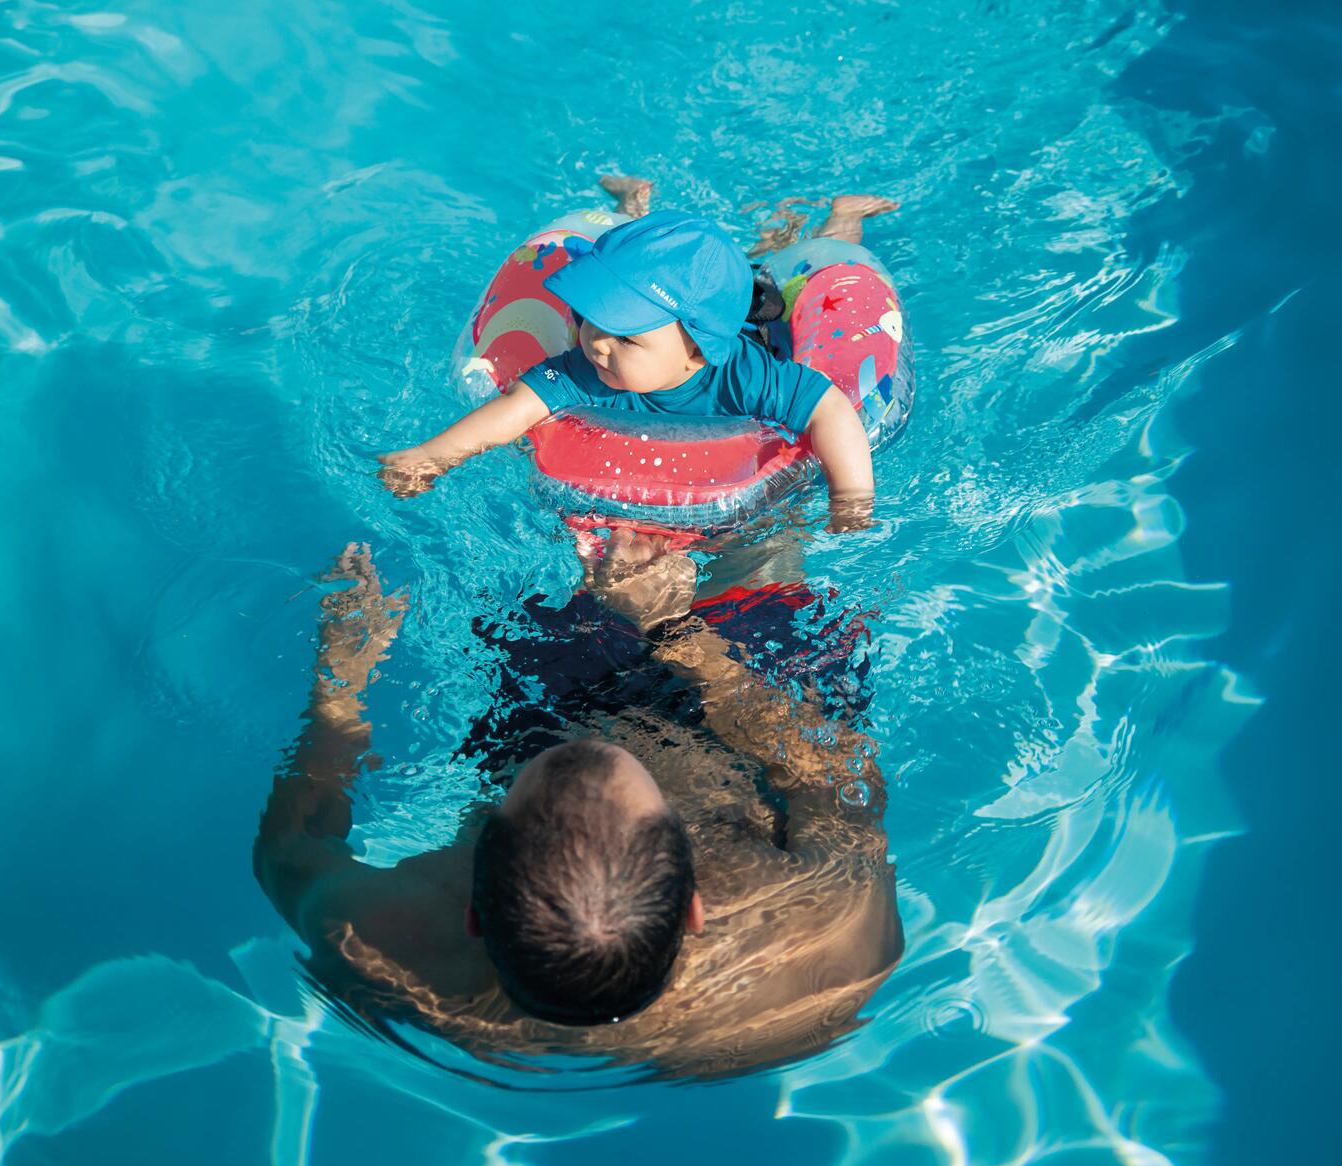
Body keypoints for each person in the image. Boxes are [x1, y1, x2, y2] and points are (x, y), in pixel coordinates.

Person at [252, 541, 902, 1078]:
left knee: (539, 564)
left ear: (474, 907)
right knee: (763, 563)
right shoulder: (825, 949)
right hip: (743, 744)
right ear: (696, 906)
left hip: (548, 714)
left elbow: (288, 847)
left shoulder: (384, 949)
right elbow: (837, 772)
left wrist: (341, 680)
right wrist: (680, 633)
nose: (601, 748)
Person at [374, 178, 898, 532]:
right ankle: (632, 204)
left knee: (789, 258)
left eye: (627, 337)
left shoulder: (745, 374)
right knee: (625, 246)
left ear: (696, 351)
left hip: (746, 315)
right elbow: (514, 408)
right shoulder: (588, 369)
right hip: (676, 288)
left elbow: (830, 408)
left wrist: (850, 499)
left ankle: (841, 216)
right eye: (591, 320)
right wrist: (431, 458)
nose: (598, 343)